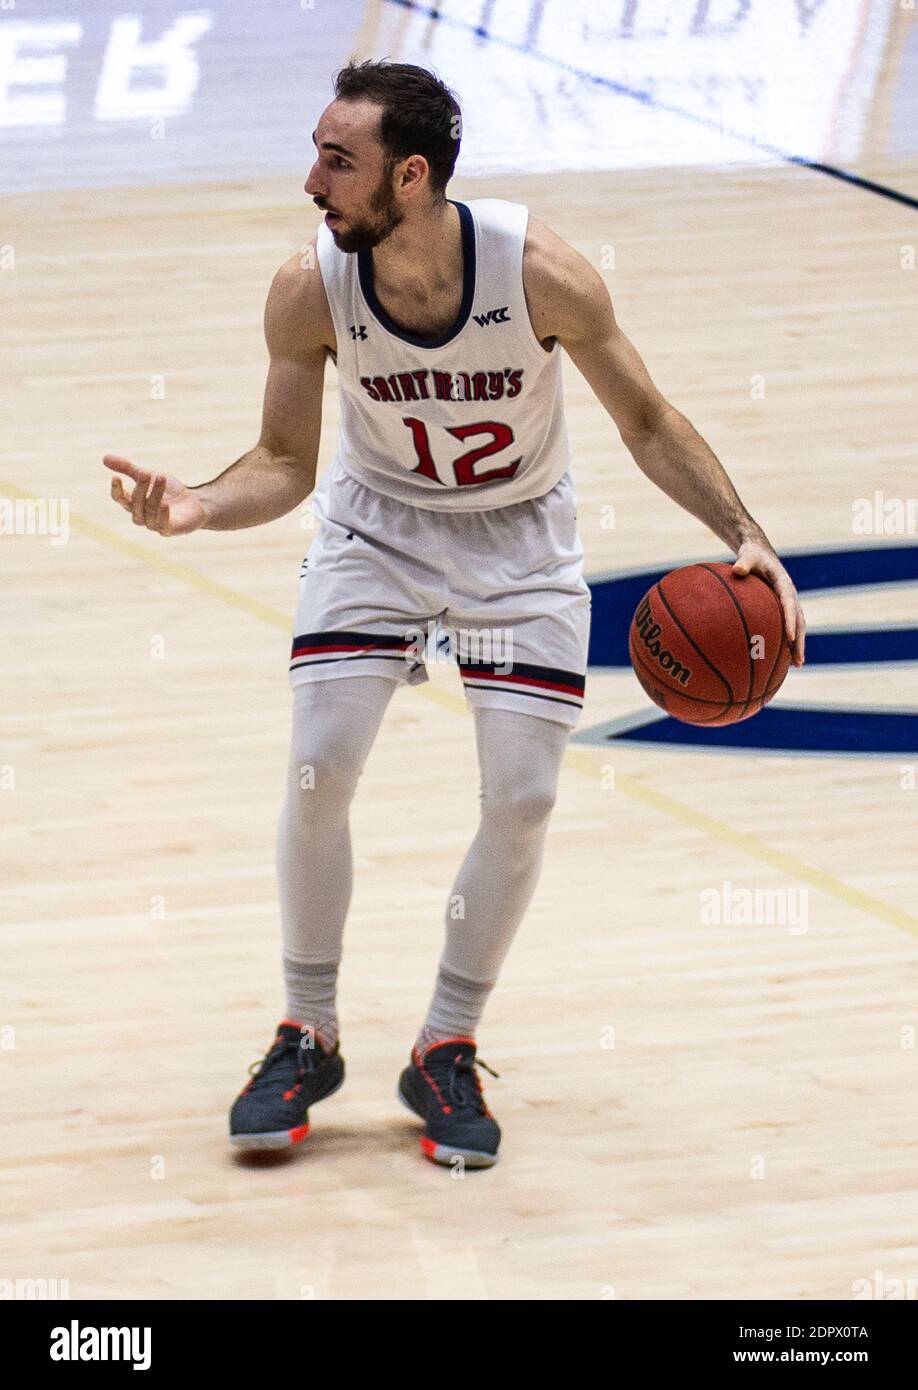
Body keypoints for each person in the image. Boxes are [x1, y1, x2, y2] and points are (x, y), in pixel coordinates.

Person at [104, 59, 805, 1170]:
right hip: (376, 528)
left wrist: (742, 532)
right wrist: (198, 502)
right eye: (317, 154)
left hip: (518, 537)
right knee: (320, 768)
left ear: (413, 176)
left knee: (523, 799)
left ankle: (446, 1042)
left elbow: (648, 420)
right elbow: (286, 462)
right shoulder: (308, 287)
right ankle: (307, 1028)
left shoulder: (540, 271)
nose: (312, 182)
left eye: (339, 161)